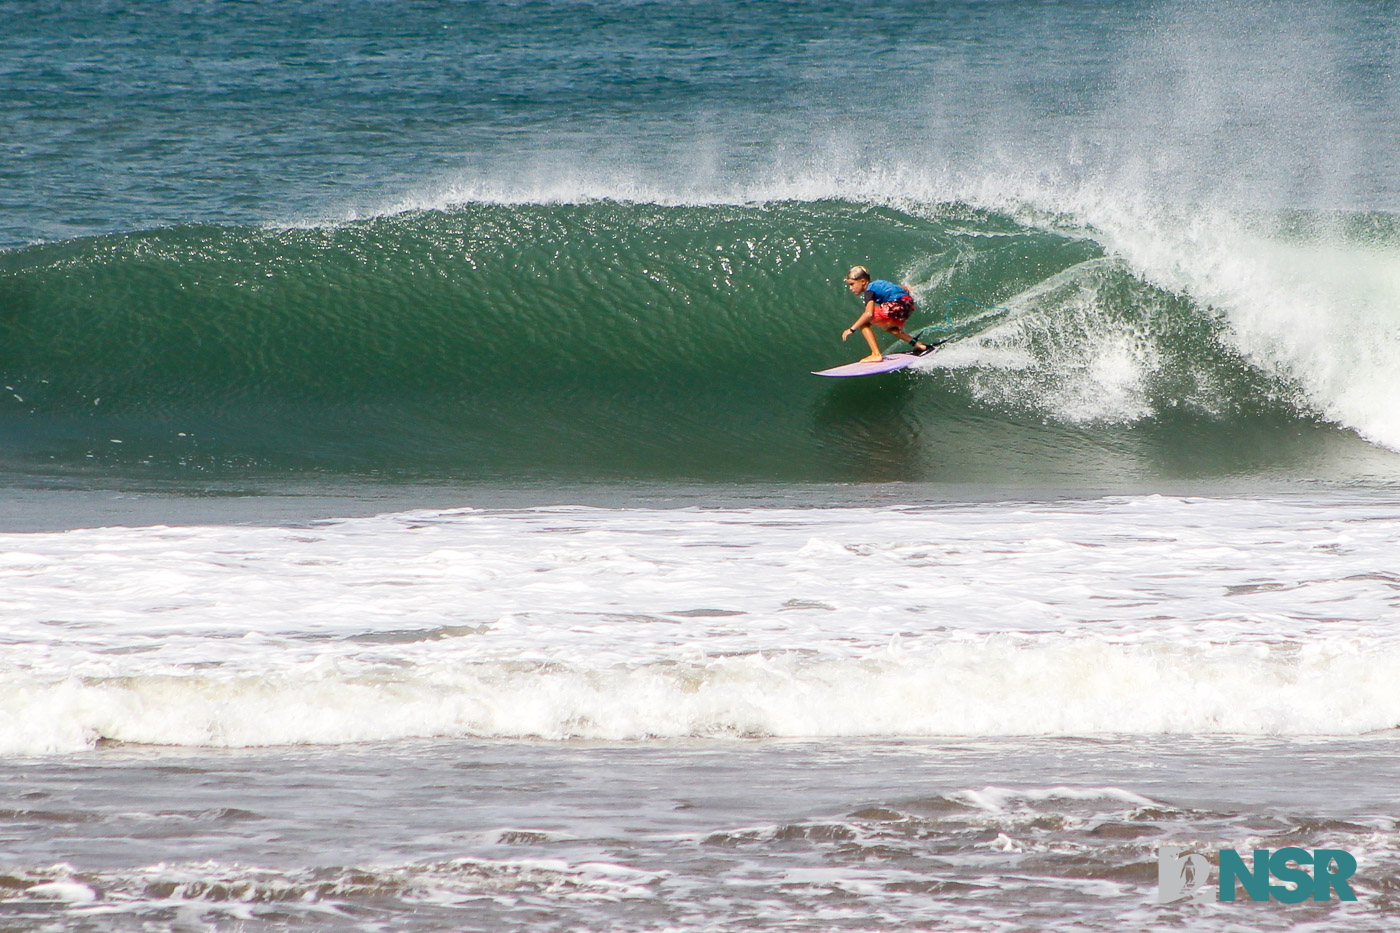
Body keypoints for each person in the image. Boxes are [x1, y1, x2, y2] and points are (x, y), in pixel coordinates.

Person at [840, 265, 931, 362]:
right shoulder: (880, 283)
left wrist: (851, 329)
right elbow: (901, 288)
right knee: (890, 328)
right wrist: (909, 288)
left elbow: (869, 313)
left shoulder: (869, 291)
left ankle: (876, 354)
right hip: (908, 306)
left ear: (862, 281)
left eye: (852, 284)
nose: (850, 288)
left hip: (895, 305)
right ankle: (919, 345)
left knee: (864, 324)